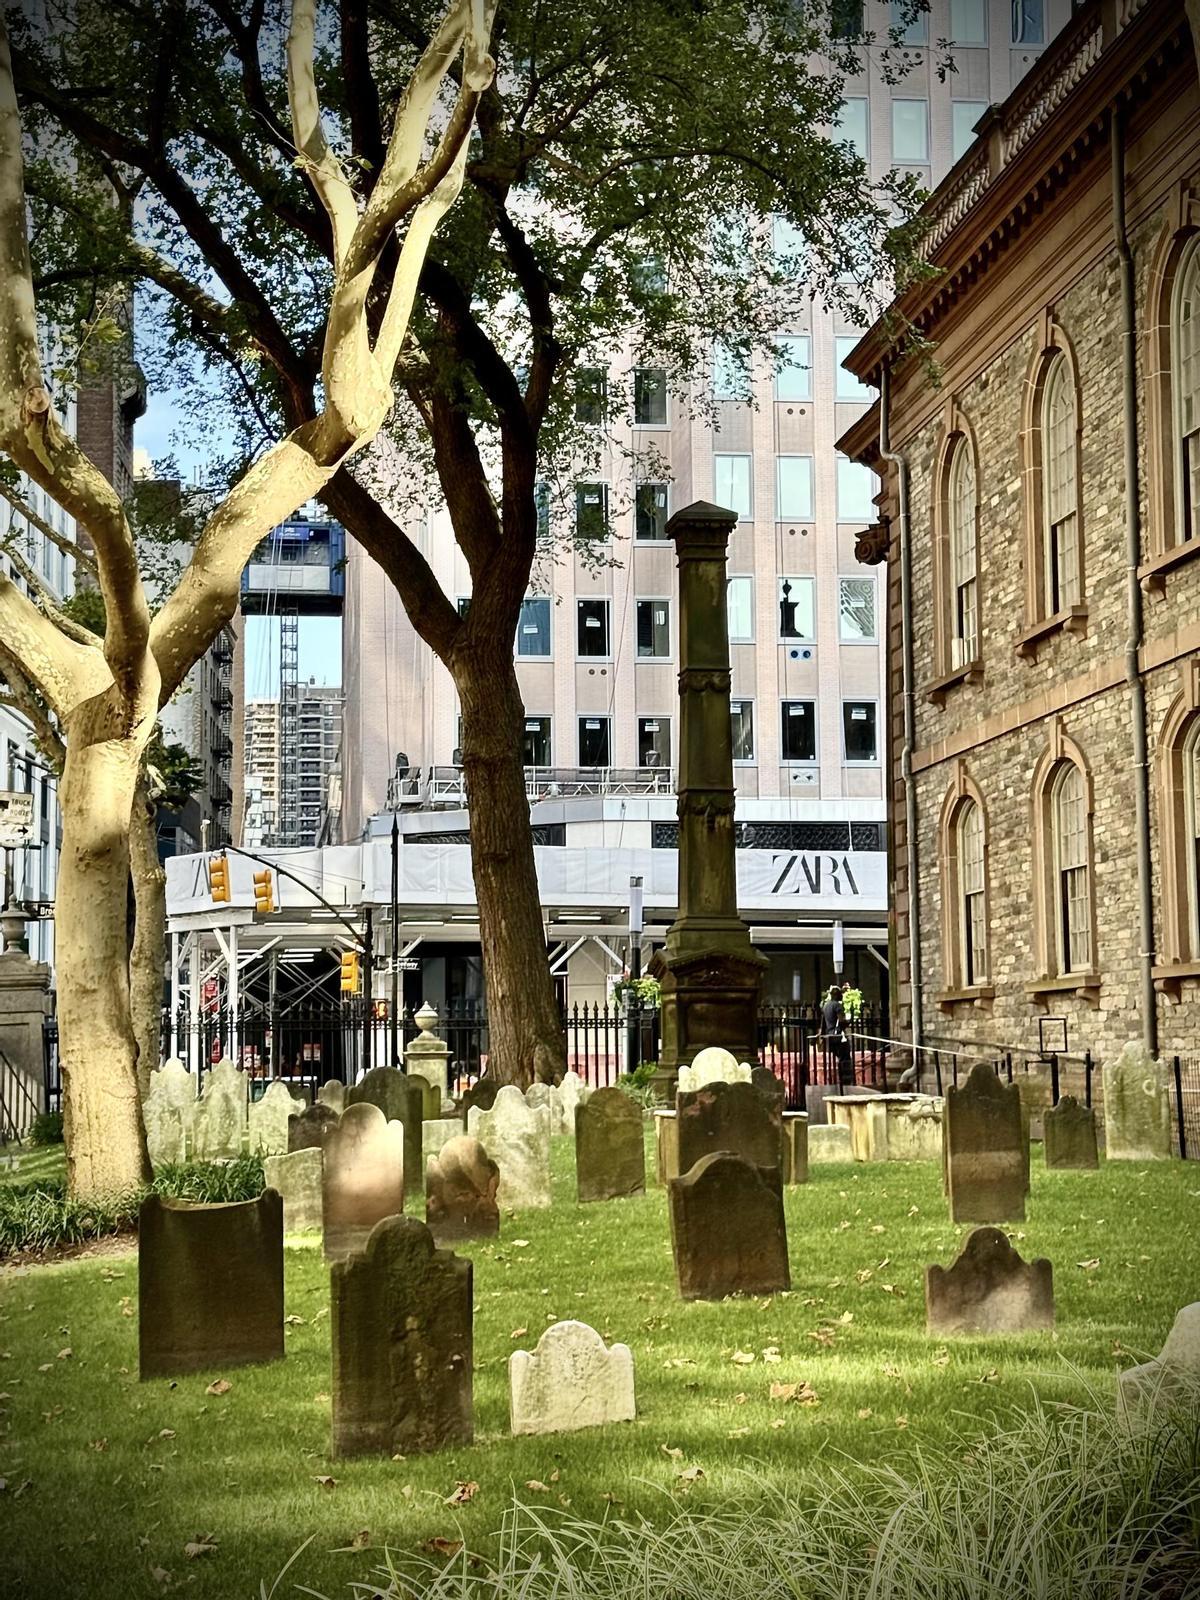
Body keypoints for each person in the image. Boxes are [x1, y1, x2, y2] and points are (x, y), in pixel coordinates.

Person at [821, 983, 855, 1088]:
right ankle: (846, 1082)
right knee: (845, 1059)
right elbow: (841, 1021)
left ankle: (840, 1080)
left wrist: (821, 1036)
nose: (842, 996)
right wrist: (849, 1020)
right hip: (839, 1036)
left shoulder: (825, 1006)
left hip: (829, 1036)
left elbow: (823, 1023)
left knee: (839, 1058)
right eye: (840, 994)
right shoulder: (837, 1005)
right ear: (836, 995)